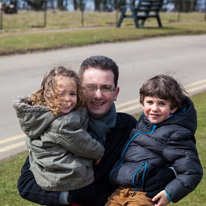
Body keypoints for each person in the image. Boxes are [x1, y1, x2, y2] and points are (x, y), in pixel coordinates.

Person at [17, 56, 176, 206]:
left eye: (106, 88)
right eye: (91, 87)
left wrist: (169, 173)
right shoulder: (57, 125)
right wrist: (67, 196)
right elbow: (26, 184)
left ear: (116, 93)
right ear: (78, 89)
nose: (98, 95)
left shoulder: (130, 126)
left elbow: (172, 154)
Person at [107, 74, 203, 206]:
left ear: (173, 108)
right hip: (119, 192)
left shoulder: (176, 134)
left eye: (162, 104)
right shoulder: (143, 124)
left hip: (143, 195)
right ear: (142, 103)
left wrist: (169, 193)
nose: (154, 109)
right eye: (150, 102)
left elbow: (192, 171)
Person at [13, 66, 105, 192]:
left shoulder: (42, 115)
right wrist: (98, 152)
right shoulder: (63, 123)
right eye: (61, 94)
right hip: (67, 177)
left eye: (72, 94)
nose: (67, 99)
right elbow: (82, 144)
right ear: (49, 95)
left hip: (48, 175)